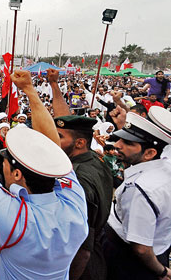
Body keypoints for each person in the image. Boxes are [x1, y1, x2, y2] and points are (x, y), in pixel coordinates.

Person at [0, 70, 88, 279]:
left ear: (17, 174)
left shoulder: (14, 216)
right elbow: (51, 146)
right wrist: (29, 90)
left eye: (5, 162)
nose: (3, 166)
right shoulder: (74, 201)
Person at [103, 107, 171, 279]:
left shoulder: (140, 189)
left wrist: (161, 272)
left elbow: (141, 248)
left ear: (149, 153)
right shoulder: (165, 164)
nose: (117, 145)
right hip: (158, 248)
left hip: (132, 262)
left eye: (128, 143)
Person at [52, 115, 113, 280]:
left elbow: (82, 243)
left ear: (79, 143)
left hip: (80, 265)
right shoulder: (94, 160)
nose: (53, 140)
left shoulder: (77, 178)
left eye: (59, 136)